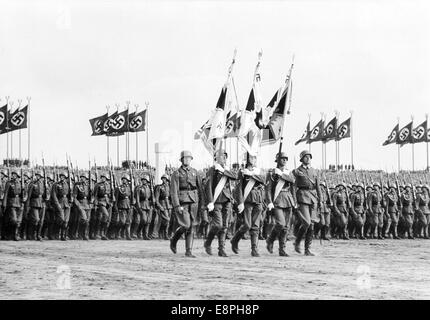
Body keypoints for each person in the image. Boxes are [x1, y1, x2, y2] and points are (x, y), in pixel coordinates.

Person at [230, 154, 266, 257]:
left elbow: (263, 180)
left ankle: (254, 249)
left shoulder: (259, 171)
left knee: (255, 226)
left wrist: (251, 174)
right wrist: (240, 202)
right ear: (247, 160)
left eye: (255, 158)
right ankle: (235, 240)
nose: (253, 160)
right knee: (247, 224)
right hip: (247, 200)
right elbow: (239, 188)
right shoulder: (242, 172)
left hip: (258, 200)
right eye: (251, 158)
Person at [204, 149, 237, 257]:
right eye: (222, 156)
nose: (224, 158)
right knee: (218, 225)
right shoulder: (212, 170)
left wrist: (223, 171)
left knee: (225, 226)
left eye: (225, 156)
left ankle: (221, 249)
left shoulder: (226, 169)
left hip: (227, 199)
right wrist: (210, 201)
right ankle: (208, 242)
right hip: (217, 199)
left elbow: (235, 176)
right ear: (216, 158)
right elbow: (208, 186)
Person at [170, 150, 203, 257]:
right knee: (186, 224)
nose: (187, 159)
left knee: (192, 226)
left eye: (189, 158)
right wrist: (177, 205)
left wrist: (202, 204)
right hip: (183, 202)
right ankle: (174, 239)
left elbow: (200, 189)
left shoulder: (195, 172)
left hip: (194, 201)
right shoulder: (177, 173)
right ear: (182, 160)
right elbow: (174, 191)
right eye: (185, 158)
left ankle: (188, 251)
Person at [265, 152, 296, 256]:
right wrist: (269, 201)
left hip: (288, 199)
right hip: (277, 200)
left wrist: (281, 174)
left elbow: (292, 182)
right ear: (277, 160)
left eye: (286, 159)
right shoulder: (271, 173)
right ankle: (270, 239)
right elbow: (268, 189)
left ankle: (282, 249)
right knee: (280, 223)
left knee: (286, 227)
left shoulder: (288, 172)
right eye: (282, 159)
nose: (284, 161)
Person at [292, 150, 322, 256]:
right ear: (302, 159)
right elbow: (294, 186)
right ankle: (297, 242)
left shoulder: (314, 171)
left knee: (311, 225)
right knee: (307, 222)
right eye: (305, 157)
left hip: (313, 198)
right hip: (302, 197)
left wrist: (321, 200)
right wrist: (294, 200)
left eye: (309, 156)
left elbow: (318, 186)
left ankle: (307, 249)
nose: (308, 158)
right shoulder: (297, 171)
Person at [2, 170, 23, 241]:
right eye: (12, 174)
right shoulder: (9, 183)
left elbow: (20, 194)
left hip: (18, 203)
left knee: (18, 221)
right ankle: (12, 234)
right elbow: (6, 194)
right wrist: (4, 204)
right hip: (11, 203)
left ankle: (15, 235)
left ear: (17, 176)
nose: (13, 175)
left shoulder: (19, 183)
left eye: (14, 174)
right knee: (14, 220)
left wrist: (22, 202)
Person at [25, 170, 46, 241]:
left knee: (41, 221)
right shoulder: (32, 184)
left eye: (39, 176)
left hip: (41, 203)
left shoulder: (42, 183)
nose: (38, 177)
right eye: (37, 175)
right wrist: (28, 206)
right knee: (36, 219)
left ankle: (38, 235)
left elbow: (44, 194)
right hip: (34, 203)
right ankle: (31, 234)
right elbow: (29, 195)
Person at [50, 171, 72, 241]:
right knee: (61, 219)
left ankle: (63, 235)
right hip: (60, 203)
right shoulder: (56, 185)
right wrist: (57, 204)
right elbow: (54, 195)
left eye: (63, 176)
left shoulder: (68, 184)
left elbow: (69, 195)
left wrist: (70, 201)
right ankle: (55, 233)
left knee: (66, 220)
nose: (62, 177)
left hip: (66, 204)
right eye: (61, 176)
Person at [92, 172, 112, 240]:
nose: (103, 179)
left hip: (107, 203)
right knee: (106, 215)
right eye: (102, 177)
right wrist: (95, 203)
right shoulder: (98, 185)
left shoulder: (108, 185)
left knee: (100, 218)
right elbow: (95, 195)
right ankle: (100, 233)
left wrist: (110, 201)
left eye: (104, 178)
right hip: (100, 202)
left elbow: (109, 194)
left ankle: (101, 233)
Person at [72, 172, 92, 240]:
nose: (82, 178)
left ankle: (83, 235)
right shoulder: (77, 186)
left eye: (83, 177)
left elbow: (90, 196)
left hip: (87, 204)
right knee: (84, 219)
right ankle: (82, 234)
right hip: (80, 204)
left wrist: (91, 201)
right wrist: (78, 205)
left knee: (87, 220)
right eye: (81, 177)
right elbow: (74, 197)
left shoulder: (88, 186)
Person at [115, 173, 133, 240]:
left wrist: (131, 204)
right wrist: (116, 206)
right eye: (123, 179)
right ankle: (117, 233)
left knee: (128, 221)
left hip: (128, 205)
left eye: (125, 179)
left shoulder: (129, 187)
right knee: (122, 221)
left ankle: (128, 236)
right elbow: (116, 198)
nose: (124, 180)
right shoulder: (119, 188)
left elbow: (131, 196)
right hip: (121, 205)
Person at [154, 174, 173, 240]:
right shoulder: (159, 187)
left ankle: (160, 232)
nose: (163, 180)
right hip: (163, 205)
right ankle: (165, 234)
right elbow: (156, 199)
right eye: (162, 179)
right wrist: (159, 206)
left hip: (169, 206)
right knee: (167, 220)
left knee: (166, 221)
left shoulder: (169, 187)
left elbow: (171, 197)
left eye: (165, 179)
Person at [134, 174, 152, 240]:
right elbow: (137, 198)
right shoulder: (139, 188)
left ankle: (145, 235)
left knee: (148, 221)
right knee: (144, 220)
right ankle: (138, 231)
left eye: (145, 180)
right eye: (143, 180)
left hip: (148, 205)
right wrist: (138, 206)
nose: (143, 181)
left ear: (147, 181)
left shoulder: (150, 188)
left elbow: (151, 197)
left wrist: (152, 202)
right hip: (142, 204)